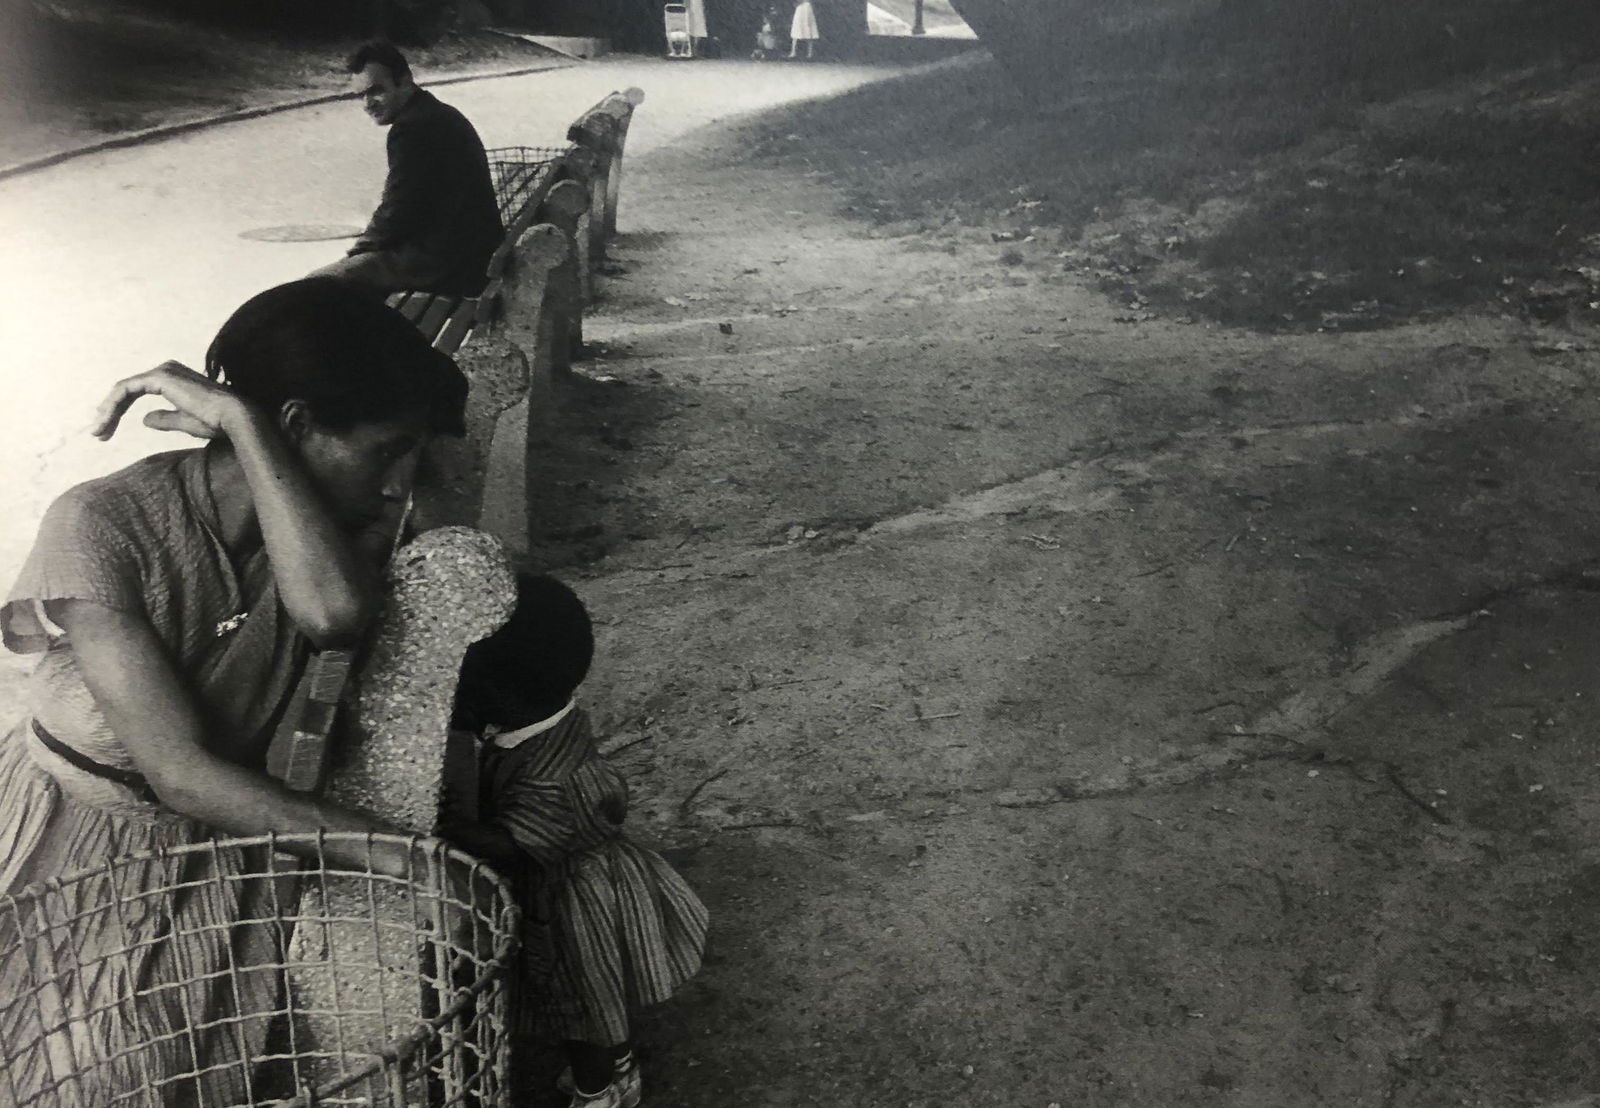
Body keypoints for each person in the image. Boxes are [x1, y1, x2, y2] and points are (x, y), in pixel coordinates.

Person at [0, 277, 470, 1107]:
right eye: (385, 449)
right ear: (293, 425)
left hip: (210, 846)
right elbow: (179, 771)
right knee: (82, 1074)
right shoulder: (102, 523)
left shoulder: (329, 531)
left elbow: (333, 614)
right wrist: (405, 858)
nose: (401, 484)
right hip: (78, 840)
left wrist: (247, 429)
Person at [438, 574, 709, 1108]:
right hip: (582, 882)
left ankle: (601, 1091)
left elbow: (513, 844)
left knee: (582, 1006)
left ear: (496, 696)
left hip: (573, 906)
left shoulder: (554, 778)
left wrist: (455, 830)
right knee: (603, 999)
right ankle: (620, 1063)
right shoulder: (546, 723)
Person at [311, 41, 503, 296]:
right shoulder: (437, 113)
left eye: (376, 91)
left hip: (446, 264)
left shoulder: (412, 128)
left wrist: (356, 255)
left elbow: (396, 209)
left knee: (316, 287)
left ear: (405, 81)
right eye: (362, 95)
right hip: (470, 253)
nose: (368, 104)